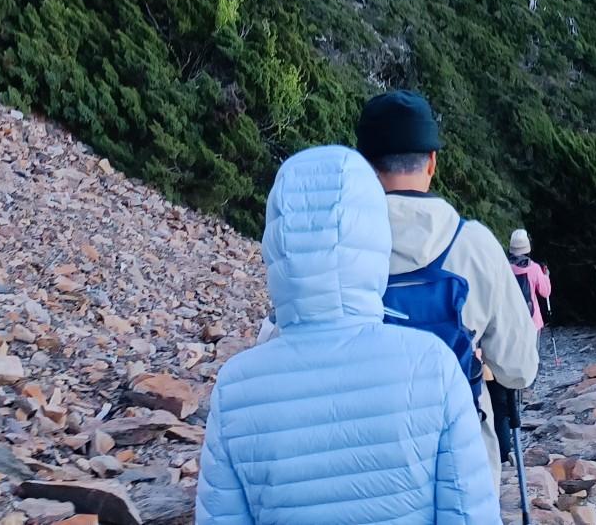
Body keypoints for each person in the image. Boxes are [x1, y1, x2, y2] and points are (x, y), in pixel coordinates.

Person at [196, 144, 499, 525]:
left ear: (276, 242)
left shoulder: (235, 388)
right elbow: (470, 515)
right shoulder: (432, 364)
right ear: (374, 236)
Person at [358, 89, 540, 479]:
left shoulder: (335, 249)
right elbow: (519, 370)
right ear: (432, 163)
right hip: (458, 466)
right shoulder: (474, 244)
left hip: (359, 466)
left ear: (364, 168)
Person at [507, 229, 552, 331]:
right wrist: (546, 276)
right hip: (533, 322)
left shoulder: (505, 268)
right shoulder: (534, 268)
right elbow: (545, 292)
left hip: (511, 322)